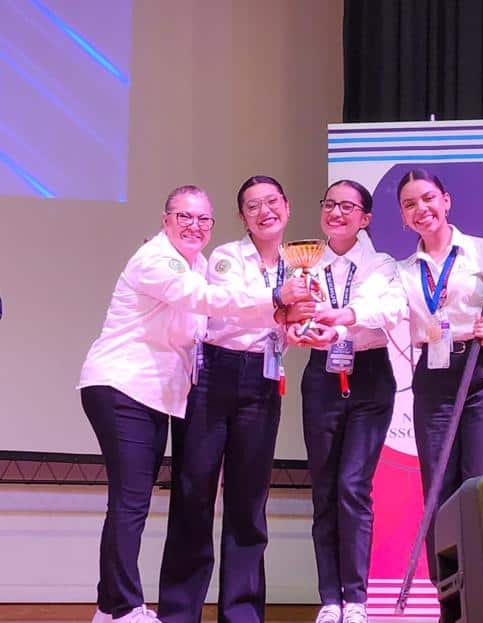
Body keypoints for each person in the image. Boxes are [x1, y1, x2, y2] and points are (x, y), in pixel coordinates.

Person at [78, 185, 312, 623]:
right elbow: (209, 302)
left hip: (168, 392)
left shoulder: (201, 264)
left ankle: (112, 607)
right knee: (144, 501)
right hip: (126, 385)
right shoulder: (164, 259)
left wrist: (290, 322)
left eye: (203, 219)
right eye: (184, 216)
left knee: (222, 504)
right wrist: (277, 300)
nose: (194, 226)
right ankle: (128, 607)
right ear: (165, 219)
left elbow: (207, 321)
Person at [157, 176, 311, 623]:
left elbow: (289, 323)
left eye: (271, 202)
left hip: (263, 379)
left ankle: (241, 613)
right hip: (213, 375)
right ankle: (179, 613)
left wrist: (302, 324)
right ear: (242, 217)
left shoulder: (300, 264)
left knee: (249, 503)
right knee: (194, 495)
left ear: (287, 206)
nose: (265, 212)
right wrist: (280, 304)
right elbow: (227, 306)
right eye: (252, 206)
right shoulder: (226, 256)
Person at [393, 169, 483, 584]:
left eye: (428, 198)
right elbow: (384, 311)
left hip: (481, 371)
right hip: (434, 376)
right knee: (439, 486)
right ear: (403, 217)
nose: (421, 209)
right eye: (410, 204)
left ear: (446, 201)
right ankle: (448, 591)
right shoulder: (403, 271)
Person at [289, 180, 405, 623]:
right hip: (321, 376)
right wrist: (295, 326)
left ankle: (356, 598)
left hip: (369, 378)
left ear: (365, 218)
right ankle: (330, 599)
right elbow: (291, 313)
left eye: (347, 207)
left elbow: (385, 309)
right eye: (330, 204)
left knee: (353, 487)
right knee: (324, 490)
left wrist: (342, 320)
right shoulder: (304, 261)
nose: (336, 213)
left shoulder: (381, 264)